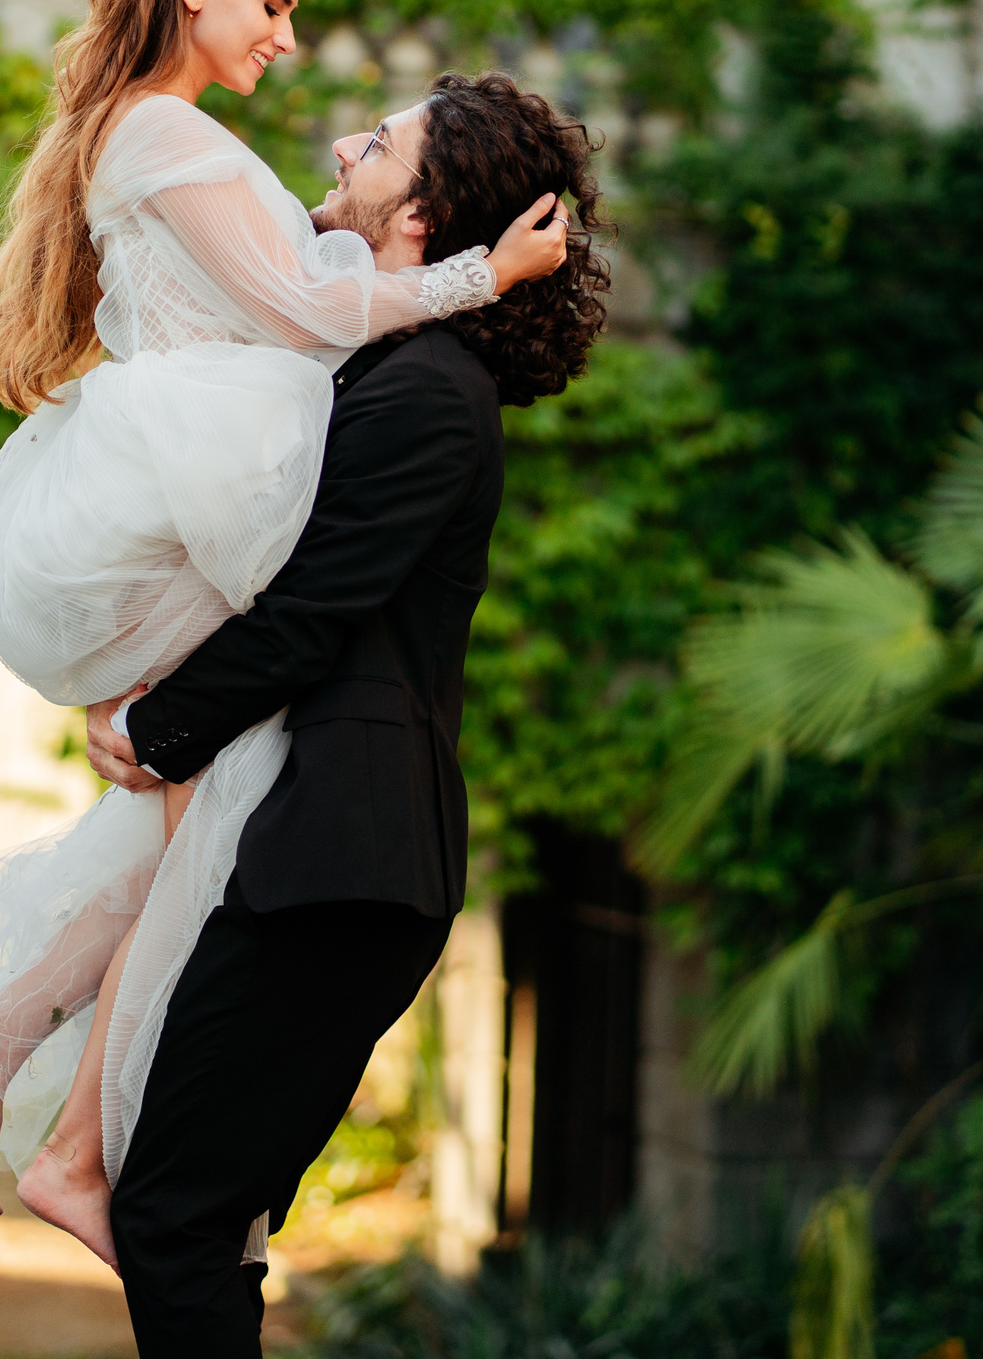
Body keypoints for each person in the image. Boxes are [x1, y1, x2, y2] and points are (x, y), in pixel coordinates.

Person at [0, 0, 575, 1268]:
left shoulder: (177, 134)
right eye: (272, 4)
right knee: (203, 786)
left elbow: (307, 287)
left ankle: (26, 1072)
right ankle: (61, 1120)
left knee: (204, 802)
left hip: (198, 464)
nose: (286, 37)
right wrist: (481, 279)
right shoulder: (161, 131)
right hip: (199, 470)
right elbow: (307, 306)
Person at [89, 67, 606, 1355]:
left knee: (175, 1210)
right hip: (330, 860)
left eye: (378, 144)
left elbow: (313, 609)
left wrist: (160, 733)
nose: (341, 143)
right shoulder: (393, 362)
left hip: (344, 860)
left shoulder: (430, 395)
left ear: (422, 211)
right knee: (204, 1216)